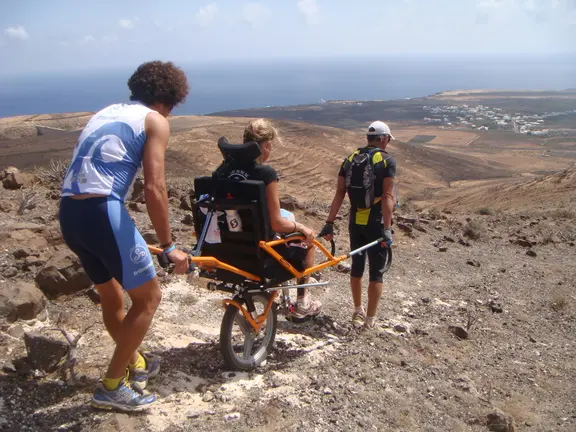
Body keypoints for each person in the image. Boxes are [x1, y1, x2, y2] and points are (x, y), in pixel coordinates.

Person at [58, 60, 190, 411]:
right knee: (148, 298)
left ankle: (136, 363)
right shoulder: (155, 120)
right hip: (103, 211)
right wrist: (169, 246)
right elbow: (155, 187)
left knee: (111, 294)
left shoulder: (103, 113)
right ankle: (112, 386)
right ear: (168, 101)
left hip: (69, 212)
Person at [212, 118, 322, 320]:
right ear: (266, 145)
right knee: (307, 241)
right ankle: (302, 303)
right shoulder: (265, 173)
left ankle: (274, 294)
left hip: (226, 247)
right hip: (260, 254)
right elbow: (277, 223)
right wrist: (302, 228)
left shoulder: (221, 171)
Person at [320, 121, 396, 330]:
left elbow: (339, 193)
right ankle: (370, 320)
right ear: (383, 139)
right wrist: (387, 228)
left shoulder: (350, 160)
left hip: (355, 222)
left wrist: (329, 222)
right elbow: (388, 195)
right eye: (388, 139)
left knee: (357, 267)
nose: (388, 142)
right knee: (377, 272)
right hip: (377, 223)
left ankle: (357, 311)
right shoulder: (386, 161)